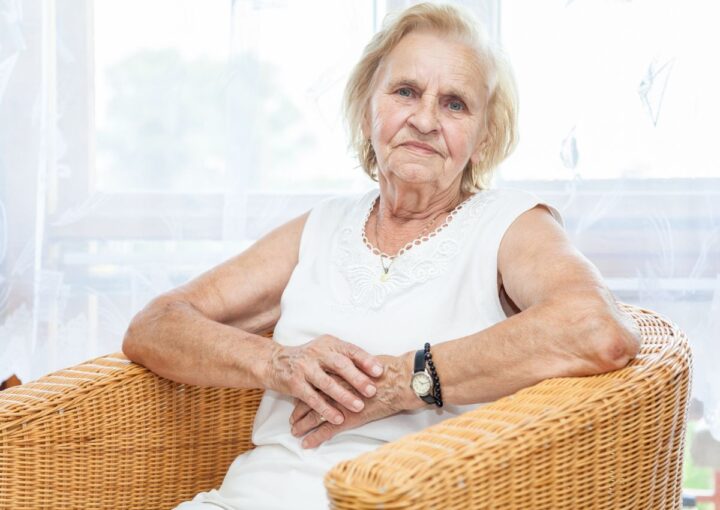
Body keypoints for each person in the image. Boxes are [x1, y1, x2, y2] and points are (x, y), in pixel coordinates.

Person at [122, 3, 641, 509]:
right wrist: (277, 363)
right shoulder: (321, 228)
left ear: (483, 138)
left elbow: (597, 330)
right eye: (405, 92)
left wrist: (401, 382)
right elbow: (154, 325)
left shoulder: (510, 224)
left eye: (455, 103)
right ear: (369, 110)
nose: (425, 119)